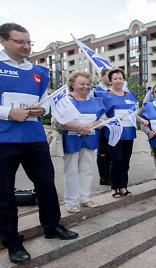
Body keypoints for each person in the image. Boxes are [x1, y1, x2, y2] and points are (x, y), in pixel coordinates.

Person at [0, 23, 78, 264]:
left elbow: (45, 100)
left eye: (29, 42)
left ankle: (52, 226)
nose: (26, 46)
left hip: (34, 136)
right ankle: (12, 242)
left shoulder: (38, 71)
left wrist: (43, 109)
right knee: (4, 192)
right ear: (3, 41)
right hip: (0, 139)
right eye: (20, 42)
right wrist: (7, 113)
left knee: (46, 184)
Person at [55, 71, 106, 213]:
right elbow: (58, 122)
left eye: (88, 84)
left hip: (90, 139)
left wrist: (90, 126)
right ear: (72, 84)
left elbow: (104, 119)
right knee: (71, 170)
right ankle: (71, 201)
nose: (86, 86)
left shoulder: (95, 101)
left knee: (87, 169)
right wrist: (77, 127)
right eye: (82, 83)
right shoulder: (64, 101)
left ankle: (84, 198)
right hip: (71, 140)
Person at [95, 68, 148, 198]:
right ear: (110, 81)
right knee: (116, 160)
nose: (118, 81)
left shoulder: (130, 96)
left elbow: (132, 114)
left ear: (123, 79)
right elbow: (101, 114)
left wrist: (142, 121)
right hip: (114, 133)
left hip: (129, 132)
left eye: (120, 78)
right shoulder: (106, 95)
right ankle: (114, 187)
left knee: (126, 160)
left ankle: (123, 186)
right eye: (115, 78)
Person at [92, 68, 111, 186]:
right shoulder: (95, 90)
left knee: (111, 152)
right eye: (108, 76)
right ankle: (103, 177)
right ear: (102, 76)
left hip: (113, 124)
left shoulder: (114, 90)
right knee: (102, 152)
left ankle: (111, 175)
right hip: (101, 125)